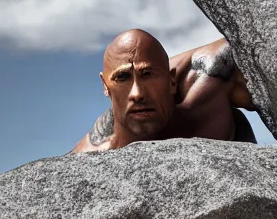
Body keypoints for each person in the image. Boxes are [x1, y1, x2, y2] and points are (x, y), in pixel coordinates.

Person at [70, 28, 257, 153]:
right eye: (122, 77)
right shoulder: (89, 157)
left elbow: (260, 40)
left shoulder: (211, 80)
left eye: (148, 74)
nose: (137, 93)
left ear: (172, 81)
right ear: (105, 86)